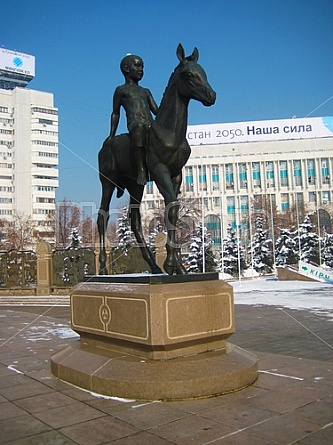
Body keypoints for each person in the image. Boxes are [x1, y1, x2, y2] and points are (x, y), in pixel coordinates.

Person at [108, 54, 159, 185]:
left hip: (150, 123)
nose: (140, 69)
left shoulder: (145, 91)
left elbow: (156, 110)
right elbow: (115, 113)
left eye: (142, 66)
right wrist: (111, 135)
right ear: (126, 68)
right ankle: (141, 170)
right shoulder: (121, 90)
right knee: (139, 128)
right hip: (135, 123)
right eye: (137, 65)